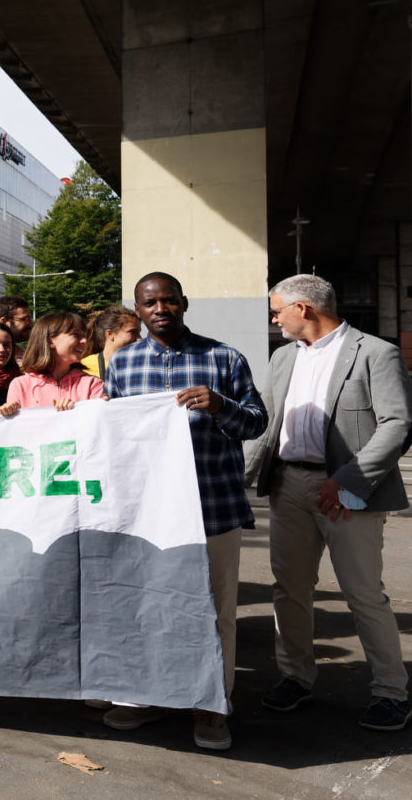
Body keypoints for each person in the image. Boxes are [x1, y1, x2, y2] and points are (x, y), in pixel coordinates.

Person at [101, 272, 267, 751]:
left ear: (184, 303)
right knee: (147, 607)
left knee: (216, 613)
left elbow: (257, 423)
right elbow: (112, 431)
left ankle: (212, 705)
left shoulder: (224, 358)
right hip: (147, 514)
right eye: (150, 303)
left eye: (169, 301)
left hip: (213, 507)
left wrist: (220, 406)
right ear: (138, 310)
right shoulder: (123, 363)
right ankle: (146, 696)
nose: (160, 309)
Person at [248, 275, 411, 732]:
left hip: (347, 491)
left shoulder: (375, 353)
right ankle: (295, 677)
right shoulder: (283, 357)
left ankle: (391, 692)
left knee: (364, 594)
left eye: (277, 310)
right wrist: (237, 477)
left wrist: (347, 481)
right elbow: (267, 423)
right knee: (290, 589)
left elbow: (397, 424)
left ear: (304, 308)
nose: (274, 319)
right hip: (287, 486)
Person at [6, 313, 104, 411]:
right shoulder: (20, 385)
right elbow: (15, 421)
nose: (84, 341)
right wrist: (7, 412)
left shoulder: (92, 384)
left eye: (84, 336)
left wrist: (74, 411)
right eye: (76, 335)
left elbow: (97, 419)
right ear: (50, 341)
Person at [82, 306, 141, 379]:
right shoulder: (85, 368)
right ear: (110, 334)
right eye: (133, 332)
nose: (139, 339)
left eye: (139, 333)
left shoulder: (142, 365)